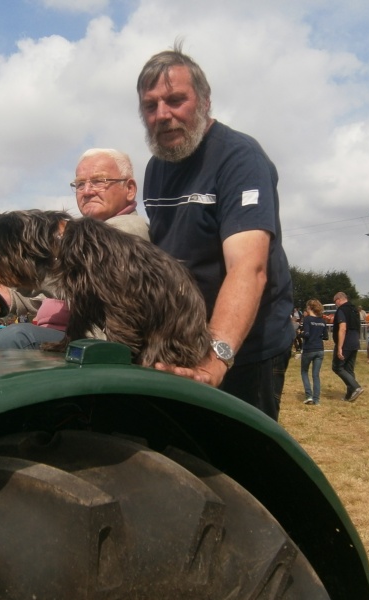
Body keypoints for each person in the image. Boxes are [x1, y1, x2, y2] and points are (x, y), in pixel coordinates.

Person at [136, 44, 294, 420]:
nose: (163, 115)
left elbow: (248, 267)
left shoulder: (240, 158)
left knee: (242, 460)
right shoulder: (156, 167)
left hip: (246, 347)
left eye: (176, 100)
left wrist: (217, 357)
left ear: (204, 100)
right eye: (150, 105)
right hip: (187, 342)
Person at [0, 148, 150, 352]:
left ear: (129, 189)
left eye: (99, 181)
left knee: (16, 336)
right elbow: (20, 297)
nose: (87, 191)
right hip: (54, 340)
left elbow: (85, 280)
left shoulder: (127, 232)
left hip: (94, 347)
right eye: (80, 184)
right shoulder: (67, 240)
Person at [331, 292, 363, 401]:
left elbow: (343, 328)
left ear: (339, 299)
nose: (336, 305)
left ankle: (356, 387)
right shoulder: (354, 310)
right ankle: (350, 395)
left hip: (346, 342)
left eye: (335, 302)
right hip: (355, 342)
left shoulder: (342, 310)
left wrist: (339, 347)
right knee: (349, 369)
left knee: (337, 367)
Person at [300, 299, 329, 405]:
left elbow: (306, 334)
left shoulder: (307, 319)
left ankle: (309, 396)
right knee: (315, 375)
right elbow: (326, 337)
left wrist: (299, 334)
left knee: (304, 372)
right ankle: (317, 400)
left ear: (309, 308)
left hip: (309, 349)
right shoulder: (322, 321)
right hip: (320, 350)